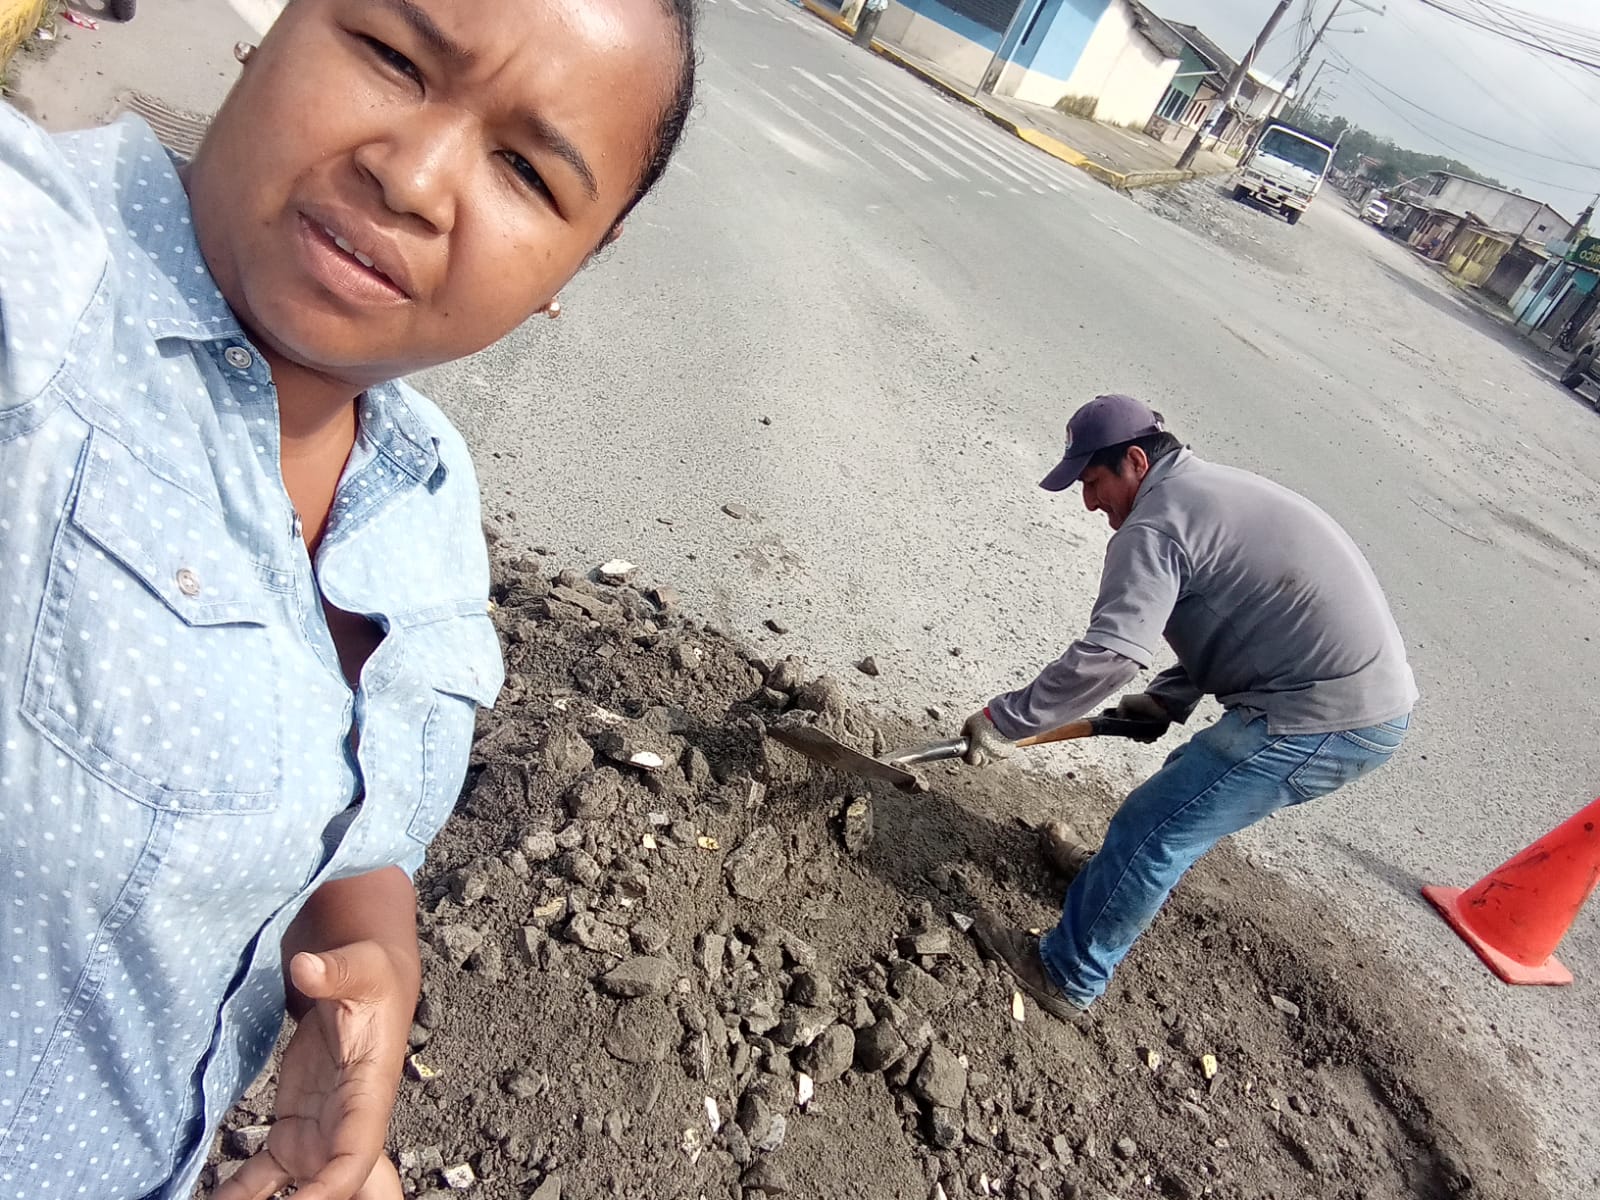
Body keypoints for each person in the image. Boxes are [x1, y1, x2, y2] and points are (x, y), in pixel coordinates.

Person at [0, 1, 696, 1196]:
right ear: (272, 26)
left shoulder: (424, 491)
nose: (412, 179)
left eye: (526, 172)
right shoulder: (40, 283)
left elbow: (343, 823)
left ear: (576, 265)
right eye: (391, 56)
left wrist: (371, 949)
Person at [960, 394, 1416, 1019]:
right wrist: (1168, 698)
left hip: (1326, 717)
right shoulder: (1204, 492)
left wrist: (1004, 721)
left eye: (1093, 483)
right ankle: (1106, 885)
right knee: (1165, 810)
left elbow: (1112, 653)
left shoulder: (1155, 525)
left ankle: (1066, 976)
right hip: (1351, 697)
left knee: (1155, 827)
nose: (1089, 503)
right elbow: (1240, 612)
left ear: (1135, 461)